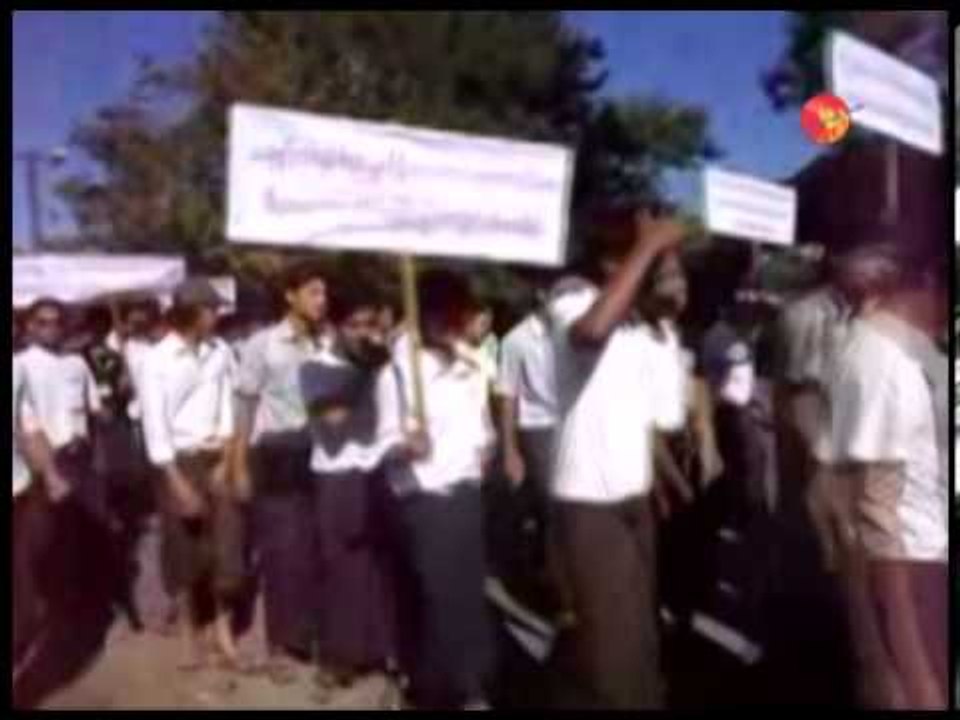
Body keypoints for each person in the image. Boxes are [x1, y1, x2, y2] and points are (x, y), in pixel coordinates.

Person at [545, 208, 686, 709]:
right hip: (590, 502)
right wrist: (648, 245)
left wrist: (665, 326)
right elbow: (589, 333)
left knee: (639, 632)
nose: (669, 274)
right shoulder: (572, 297)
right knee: (612, 645)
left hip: (633, 496)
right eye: (660, 263)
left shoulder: (643, 326)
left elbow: (666, 417)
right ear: (614, 260)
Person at [808, 247, 948, 709]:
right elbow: (871, 511)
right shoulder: (882, 361)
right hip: (909, 568)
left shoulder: (914, 349)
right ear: (928, 283)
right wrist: (913, 668)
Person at [377, 269, 497, 710]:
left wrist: (487, 445)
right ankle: (442, 689)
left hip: (466, 492)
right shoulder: (398, 371)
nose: (452, 323)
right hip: (425, 499)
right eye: (443, 314)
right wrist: (405, 445)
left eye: (458, 314)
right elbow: (381, 443)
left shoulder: (470, 365)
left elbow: (481, 424)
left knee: (467, 593)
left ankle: (470, 684)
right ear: (422, 314)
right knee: (438, 596)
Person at [140, 278, 245, 672]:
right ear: (190, 313)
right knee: (183, 548)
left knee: (227, 545)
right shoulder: (157, 360)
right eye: (210, 309)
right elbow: (155, 426)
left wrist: (227, 459)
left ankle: (223, 629)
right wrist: (176, 481)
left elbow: (228, 405)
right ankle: (189, 631)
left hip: (217, 455)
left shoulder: (221, 351)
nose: (217, 315)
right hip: (178, 462)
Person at [299, 283, 400, 693]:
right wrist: (366, 371)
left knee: (379, 566)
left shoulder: (383, 366)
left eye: (369, 324)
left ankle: (379, 649)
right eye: (354, 325)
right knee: (340, 567)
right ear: (336, 327)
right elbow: (334, 421)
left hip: (377, 470)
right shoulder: (315, 367)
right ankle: (339, 656)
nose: (363, 333)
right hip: (337, 475)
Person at [233, 263, 328, 684]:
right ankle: (281, 645)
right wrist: (238, 464)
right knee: (283, 551)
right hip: (277, 454)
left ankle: (310, 634)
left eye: (324, 293)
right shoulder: (263, 345)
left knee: (314, 548)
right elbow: (245, 405)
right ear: (290, 295)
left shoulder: (326, 343)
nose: (322, 301)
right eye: (313, 292)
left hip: (319, 454)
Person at [19, 299, 106, 611]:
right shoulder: (20, 365)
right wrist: (46, 469)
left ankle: (75, 606)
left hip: (78, 457)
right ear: (29, 326)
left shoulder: (76, 363)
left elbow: (94, 409)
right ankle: (44, 607)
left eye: (56, 321)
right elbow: (24, 422)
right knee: (42, 541)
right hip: (41, 460)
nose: (51, 328)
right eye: (42, 322)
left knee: (77, 534)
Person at [495, 278, 572, 623]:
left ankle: (567, 578)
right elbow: (507, 397)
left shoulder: (572, 332)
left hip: (573, 426)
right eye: (561, 296)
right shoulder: (516, 340)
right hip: (538, 429)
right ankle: (562, 599)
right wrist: (510, 450)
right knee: (553, 509)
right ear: (543, 295)